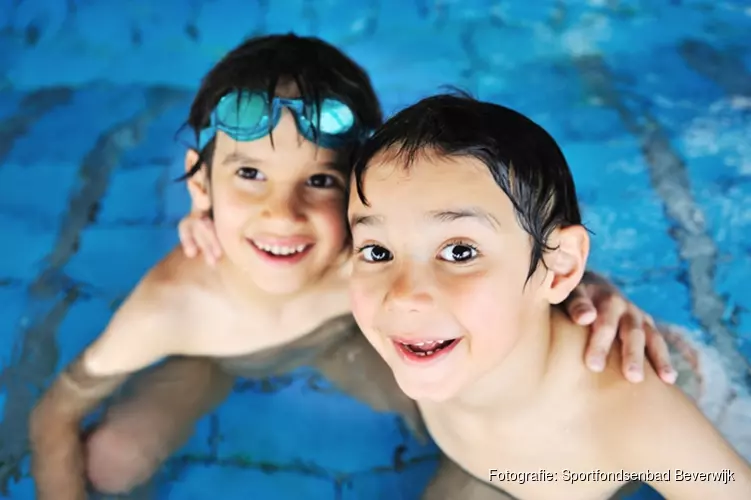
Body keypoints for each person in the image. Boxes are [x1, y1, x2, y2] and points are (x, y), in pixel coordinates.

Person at [29, 34, 672, 499]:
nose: (284, 215)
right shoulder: (174, 305)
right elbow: (54, 412)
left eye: (320, 179)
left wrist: (591, 289)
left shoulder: (369, 274)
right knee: (110, 463)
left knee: (470, 438)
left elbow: (496, 261)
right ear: (202, 189)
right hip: (210, 357)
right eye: (249, 175)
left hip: (344, 343)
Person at [345, 92, 751, 499]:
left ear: (560, 268)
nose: (403, 296)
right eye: (378, 251)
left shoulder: (628, 412)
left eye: (460, 252)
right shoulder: (420, 327)